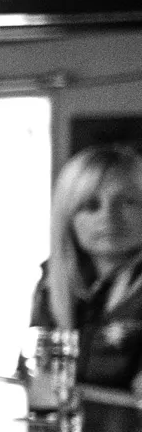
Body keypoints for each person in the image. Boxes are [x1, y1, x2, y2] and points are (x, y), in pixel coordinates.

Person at [30, 143, 142, 389]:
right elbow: (37, 382)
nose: (109, 215)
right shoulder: (52, 286)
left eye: (127, 202)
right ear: (68, 217)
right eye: (91, 205)